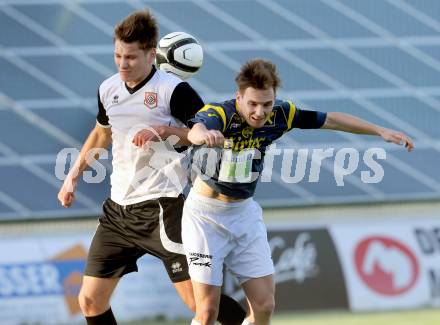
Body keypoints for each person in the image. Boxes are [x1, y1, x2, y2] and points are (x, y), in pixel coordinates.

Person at [183, 58, 414, 325]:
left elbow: (331, 120)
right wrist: (204, 136)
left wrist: (379, 130)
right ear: (239, 97)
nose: (260, 112)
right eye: (253, 104)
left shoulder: (282, 114)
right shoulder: (220, 114)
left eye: (267, 104)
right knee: (208, 311)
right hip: (205, 218)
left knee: (264, 306)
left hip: (243, 213)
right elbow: (196, 129)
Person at [57, 10, 245, 325]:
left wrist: (172, 132)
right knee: (90, 301)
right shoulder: (108, 89)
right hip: (118, 213)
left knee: (199, 305)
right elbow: (102, 132)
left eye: (130, 57)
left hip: (163, 208)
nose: (122, 63)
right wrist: (72, 177)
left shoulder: (174, 91)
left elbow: (201, 132)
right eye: (117, 55)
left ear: (151, 52)